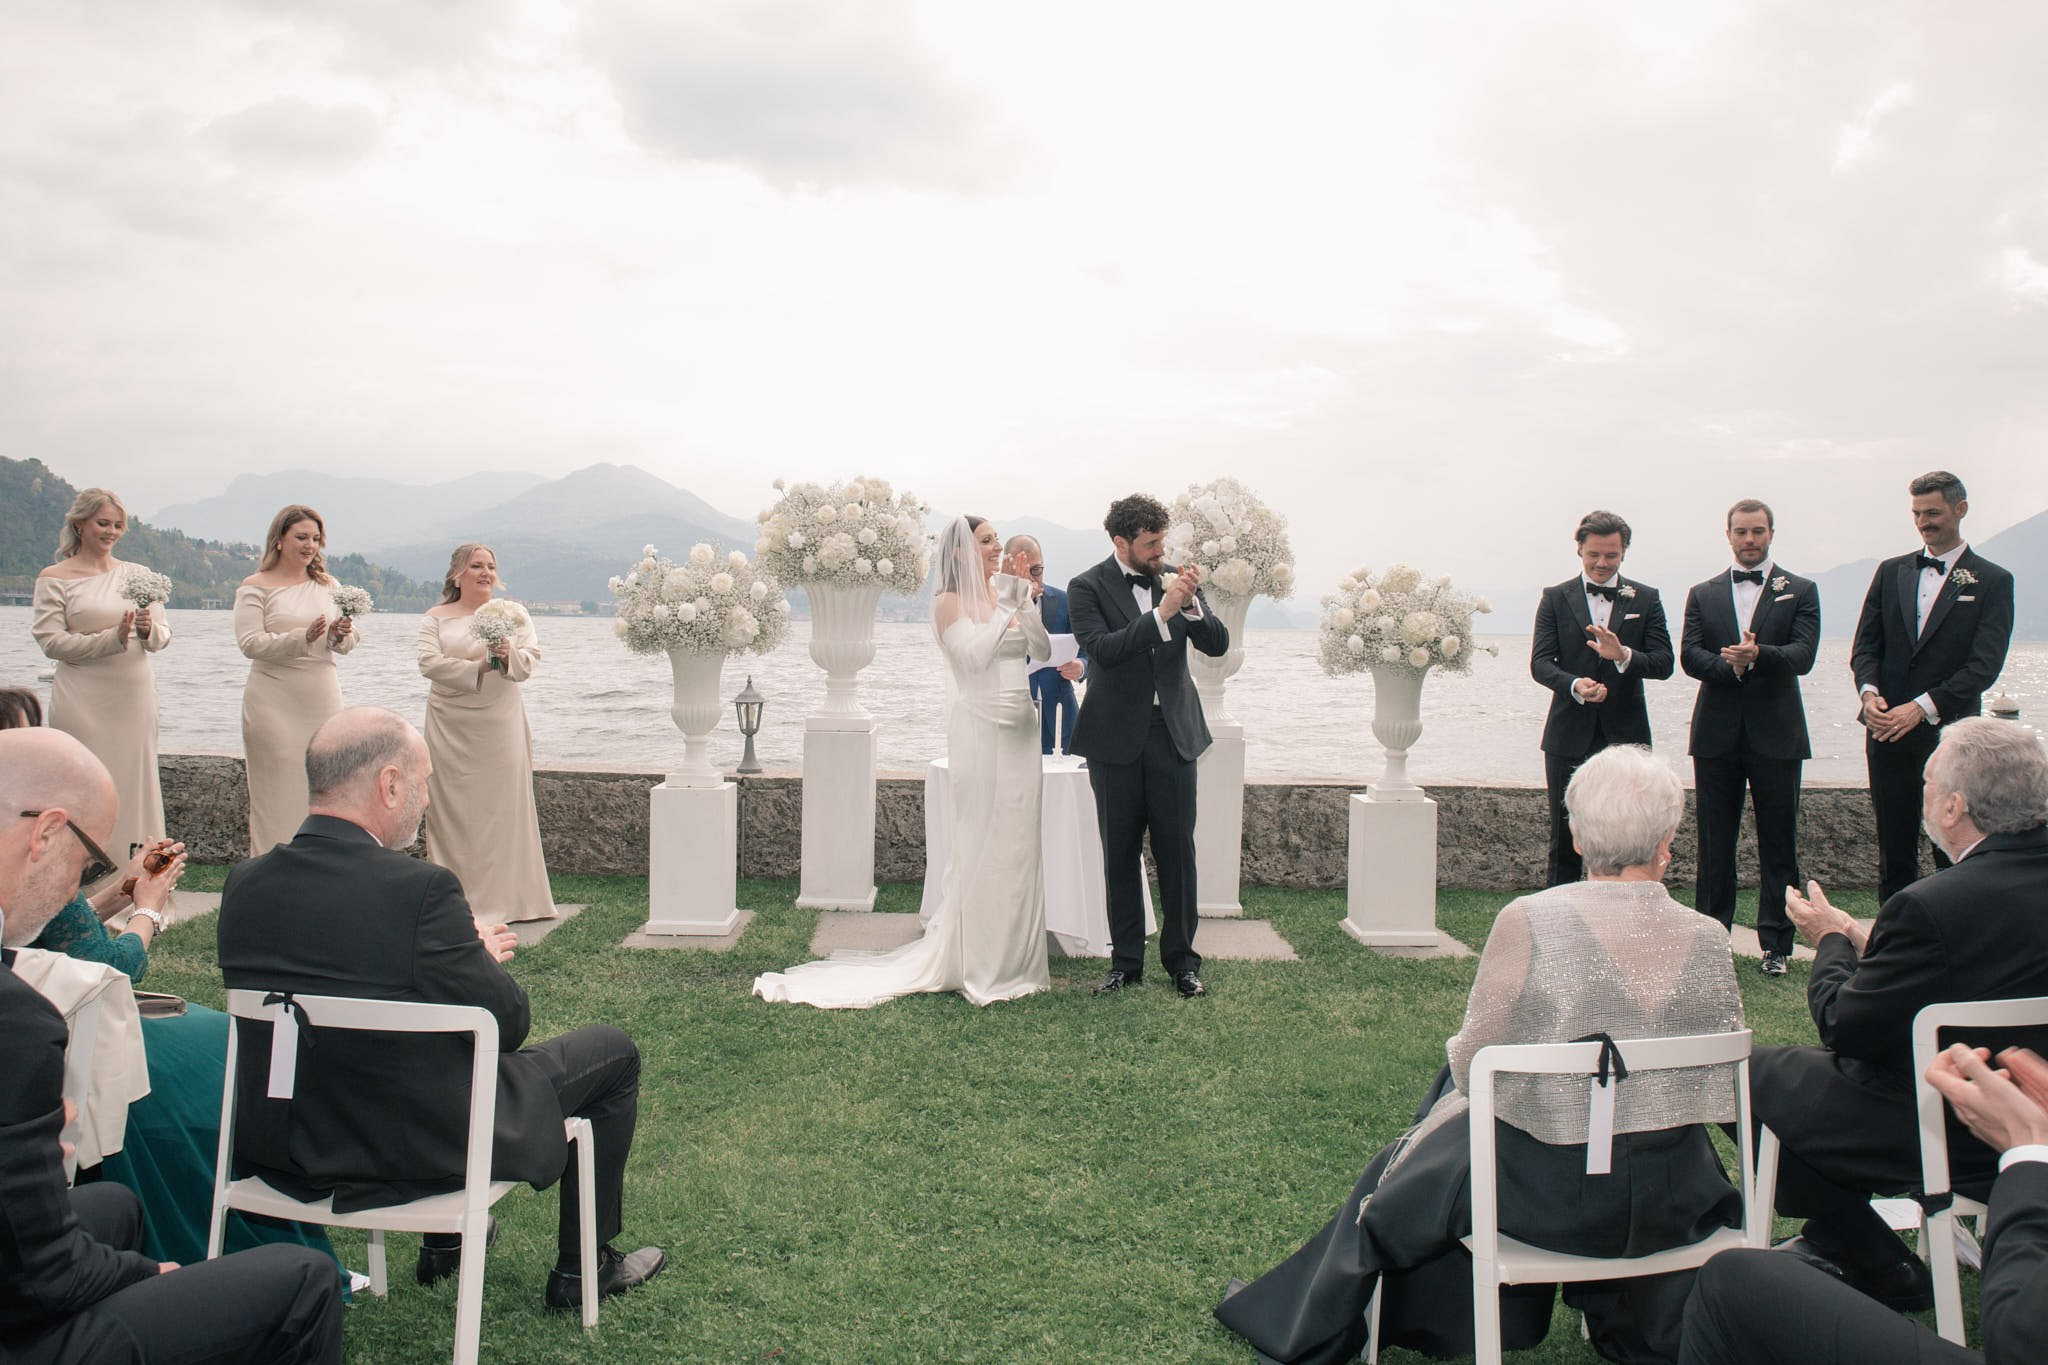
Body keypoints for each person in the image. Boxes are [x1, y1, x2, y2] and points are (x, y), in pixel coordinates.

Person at [1215, 745, 1746, 1365]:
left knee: (1434, 1128)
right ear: (1667, 839)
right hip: (1676, 1200)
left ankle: (1326, 1309)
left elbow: (1474, 1065)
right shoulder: (1709, 938)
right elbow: (1726, 1086)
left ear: (1575, 836)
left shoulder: (1530, 920)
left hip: (1549, 1203)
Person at [215, 708, 664, 1310]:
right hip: (413, 1148)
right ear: (390, 784)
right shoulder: (420, 892)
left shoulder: (246, 884)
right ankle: (584, 1268)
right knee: (613, 1050)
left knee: (416, 1042)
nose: (426, 800)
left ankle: (447, 1248)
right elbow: (508, 1024)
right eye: (424, 783)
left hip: (288, 1141)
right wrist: (476, 954)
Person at [0, 726, 345, 1365]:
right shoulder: (20, 1019)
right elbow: (47, 1272)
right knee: (305, 1282)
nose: (79, 883)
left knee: (115, 1205)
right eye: (85, 862)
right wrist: (153, 1275)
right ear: (45, 833)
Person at [1750, 717, 2048, 1311]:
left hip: (1957, 1130)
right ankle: (1847, 1242)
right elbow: (1979, 969)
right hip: (2033, 1113)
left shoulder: (1931, 905)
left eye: (1929, 783)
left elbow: (1846, 1026)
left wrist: (1831, 939)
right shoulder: (1967, 902)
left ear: (1953, 808)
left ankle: (1873, 1254)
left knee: (1749, 1074)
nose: (1925, 794)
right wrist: (1870, 942)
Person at [755, 517, 1053, 1008]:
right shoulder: (948, 603)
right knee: (985, 843)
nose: (998, 547)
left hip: (1022, 732)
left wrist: (1024, 600)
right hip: (981, 730)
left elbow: (1038, 651)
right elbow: (974, 659)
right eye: (987, 540)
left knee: (1019, 845)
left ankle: (1019, 964)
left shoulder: (1006, 593)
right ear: (960, 552)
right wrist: (1007, 603)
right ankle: (979, 964)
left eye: (997, 539)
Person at [1679, 1042, 2048, 1364]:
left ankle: (1869, 1247)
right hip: (1953, 1117)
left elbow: (1849, 1021)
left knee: (1731, 1283)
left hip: (1929, 1123)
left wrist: (2029, 1152)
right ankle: (1873, 1250)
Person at [1068, 493, 1229, 997]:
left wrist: (1194, 608)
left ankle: (1183, 963)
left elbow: (1218, 645)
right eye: (1150, 543)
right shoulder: (1085, 586)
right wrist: (1162, 614)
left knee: (1178, 850)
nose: (1161, 552)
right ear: (1122, 543)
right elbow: (1103, 652)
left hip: (1173, 735)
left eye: (1163, 540)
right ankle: (1125, 963)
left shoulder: (1177, 579)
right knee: (1119, 853)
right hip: (1114, 739)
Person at [1851, 470, 2016, 904]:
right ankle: (1893, 948)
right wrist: (1869, 695)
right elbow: (1865, 647)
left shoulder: (1993, 581)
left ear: (1960, 510)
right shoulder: (1890, 573)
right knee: (1894, 848)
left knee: (1956, 849)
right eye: (1917, 513)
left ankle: (1962, 943)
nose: (1924, 522)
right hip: (1886, 732)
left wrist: (1920, 708)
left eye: (1933, 512)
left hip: (1952, 737)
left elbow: (1984, 666)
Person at [1678, 499, 1820, 976]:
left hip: (1778, 733)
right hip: (1716, 732)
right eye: (1741, 531)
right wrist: (1729, 665)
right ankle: (1710, 938)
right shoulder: (1703, 593)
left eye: (1758, 531)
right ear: (1729, 534)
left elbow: (1803, 654)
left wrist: (1759, 655)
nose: (1750, 539)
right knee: (1715, 842)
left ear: (1771, 533)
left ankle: (1777, 944)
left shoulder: (1800, 590)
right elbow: (1690, 656)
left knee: (1779, 842)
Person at [4, 680, 186, 983]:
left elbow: (57, 923)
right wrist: (148, 908)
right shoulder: (30, 853)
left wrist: (125, 889)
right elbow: (108, 969)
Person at [1531, 510, 1674, 887]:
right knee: (1564, 835)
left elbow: (1664, 663)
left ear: (1624, 552)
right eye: (1594, 554)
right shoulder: (1556, 597)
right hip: (1568, 731)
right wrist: (1576, 685)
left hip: (1626, 734)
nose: (1601, 563)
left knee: (1637, 835)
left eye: (1611, 555)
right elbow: (1541, 663)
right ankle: (1559, 921)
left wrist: (1623, 655)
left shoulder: (1646, 597)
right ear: (1579, 549)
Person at [30, 487, 173, 863]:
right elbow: (51, 642)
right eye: (103, 523)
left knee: (134, 782)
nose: (111, 531)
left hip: (133, 696)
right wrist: (109, 639)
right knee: (82, 784)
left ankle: (139, 876)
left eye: (118, 525)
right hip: (82, 698)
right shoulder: (54, 578)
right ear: (80, 525)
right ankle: (79, 881)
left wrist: (145, 630)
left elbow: (162, 636)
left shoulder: (139, 576)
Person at [417, 543, 554, 926]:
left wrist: (507, 654)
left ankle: (513, 901)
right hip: (450, 724)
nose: (485, 573)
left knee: (503, 806)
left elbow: (531, 660)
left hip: (500, 720)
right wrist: (478, 666)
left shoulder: (513, 613)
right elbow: (428, 662)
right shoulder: (435, 617)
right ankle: (455, 900)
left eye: (490, 566)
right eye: (476, 566)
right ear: (456, 574)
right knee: (453, 810)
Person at [235, 505, 358, 856]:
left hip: (321, 695)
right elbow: (250, 644)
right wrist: (301, 638)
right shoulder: (255, 587)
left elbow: (345, 645)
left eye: (316, 539)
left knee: (324, 787)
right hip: (272, 699)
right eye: (302, 537)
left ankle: (322, 868)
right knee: (277, 790)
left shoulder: (328, 586)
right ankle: (272, 869)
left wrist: (338, 634)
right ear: (279, 540)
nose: (310, 546)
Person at [1006, 534, 1086, 754]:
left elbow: (1087, 647)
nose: (1033, 577)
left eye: (1037, 570)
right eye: (1024, 571)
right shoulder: (998, 606)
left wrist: (1080, 666)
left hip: (1062, 711)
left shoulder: (1064, 599)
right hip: (1014, 715)